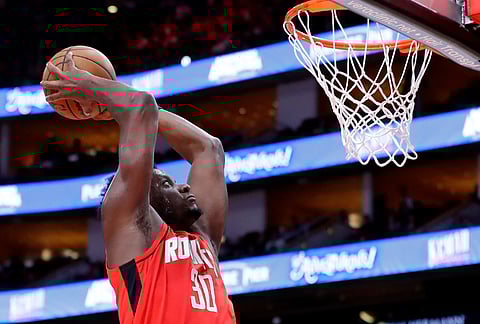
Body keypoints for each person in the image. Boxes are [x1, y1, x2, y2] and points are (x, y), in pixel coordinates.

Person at [41, 51, 236, 324]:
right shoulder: (131, 229)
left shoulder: (203, 238)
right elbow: (141, 105)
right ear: (146, 201)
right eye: (167, 183)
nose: (182, 187)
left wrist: (111, 109)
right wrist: (91, 86)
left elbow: (209, 149)